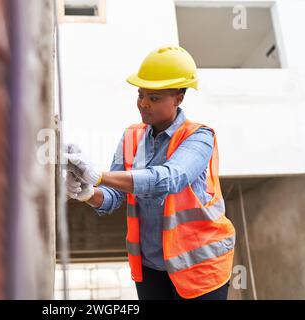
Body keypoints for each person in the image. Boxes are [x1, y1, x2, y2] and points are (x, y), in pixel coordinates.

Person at [64, 45, 236, 300]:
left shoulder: (199, 137)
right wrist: (88, 193)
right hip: (151, 268)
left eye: (154, 98)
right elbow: (114, 195)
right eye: (140, 94)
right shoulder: (132, 136)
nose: (143, 103)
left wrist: (98, 175)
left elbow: (168, 179)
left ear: (179, 97)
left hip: (200, 267)